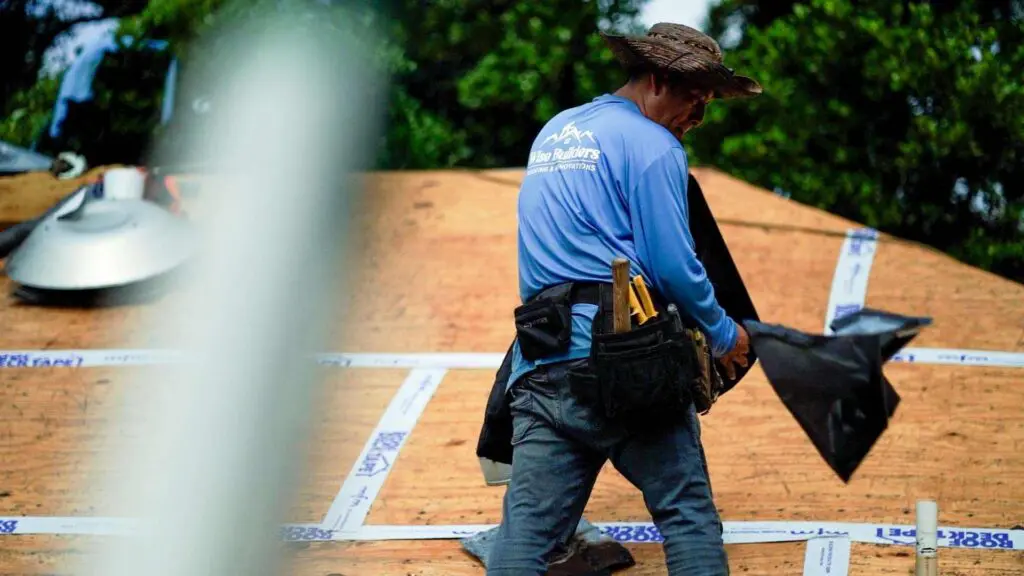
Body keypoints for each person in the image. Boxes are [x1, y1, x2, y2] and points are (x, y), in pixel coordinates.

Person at [486, 22, 762, 576]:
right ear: (659, 79)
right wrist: (725, 332)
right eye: (696, 99)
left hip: (541, 361)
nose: (698, 118)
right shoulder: (654, 146)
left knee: (526, 539)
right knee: (688, 516)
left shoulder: (556, 131)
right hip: (623, 359)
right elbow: (673, 267)